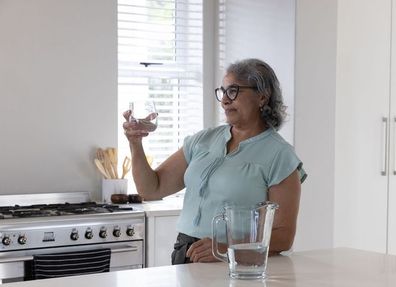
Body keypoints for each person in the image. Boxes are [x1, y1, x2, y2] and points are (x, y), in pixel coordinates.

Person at [123, 58, 307, 264]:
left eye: (234, 91)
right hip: (185, 251)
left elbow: (284, 236)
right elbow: (151, 189)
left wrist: (227, 247)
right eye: (223, 91)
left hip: (235, 262)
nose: (225, 100)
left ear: (262, 97)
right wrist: (135, 143)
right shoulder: (203, 140)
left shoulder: (279, 154)